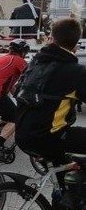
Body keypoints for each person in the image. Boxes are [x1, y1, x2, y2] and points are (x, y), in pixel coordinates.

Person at [15, 18, 86, 164]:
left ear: (52, 38)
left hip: (22, 133)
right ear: (76, 43)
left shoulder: (35, 62)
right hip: (48, 136)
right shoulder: (76, 71)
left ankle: (62, 185)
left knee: (65, 169)